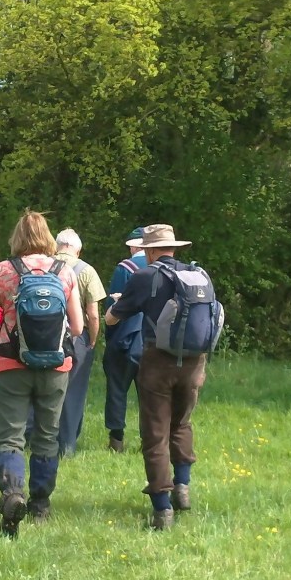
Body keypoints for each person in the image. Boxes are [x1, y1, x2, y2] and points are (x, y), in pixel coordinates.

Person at [0, 210, 83, 538]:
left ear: (17, 237)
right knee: (47, 436)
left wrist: (6, 336)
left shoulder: (5, 270)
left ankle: (12, 495)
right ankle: (40, 504)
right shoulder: (64, 271)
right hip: (55, 367)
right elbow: (78, 327)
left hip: (11, 365)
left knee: (11, 436)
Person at [104, 224, 207, 530]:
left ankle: (162, 508)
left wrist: (117, 304)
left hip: (158, 362)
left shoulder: (146, 275)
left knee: (155, 430)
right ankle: (183, 486)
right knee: (182, 423)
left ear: (148, 250)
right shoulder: (197, 274)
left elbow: (114, 316)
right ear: (174, 248)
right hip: (193, 362)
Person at [53, 228, 106, 458]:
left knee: (45, 387)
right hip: (77, 337)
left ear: (56, 246)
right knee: (73, 391)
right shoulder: (86, 270)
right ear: (78, 249)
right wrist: (93, 339)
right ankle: (67, 446)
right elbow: (93, 314)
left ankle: (37, 440)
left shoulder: (44, 265)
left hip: (45, 336)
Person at [102, 226, 147, 453]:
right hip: (152, 340)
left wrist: (109, 337)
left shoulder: (125, 268)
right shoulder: (160, 269)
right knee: (149, 394)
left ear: (132, 246)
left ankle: (116, 440)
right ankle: (149, 441)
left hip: (125, 337)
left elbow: (113, 307)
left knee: (118, 389)